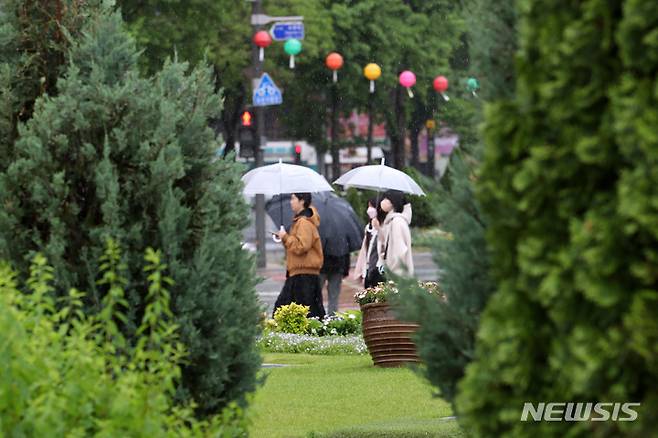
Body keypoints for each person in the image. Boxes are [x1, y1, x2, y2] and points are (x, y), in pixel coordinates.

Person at [273, 193, 326, 318]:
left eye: (293, 199)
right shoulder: (299, 221)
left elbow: (302, 246)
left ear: (302, 201)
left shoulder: (303, 222)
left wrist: (285, 237)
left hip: (304, 274)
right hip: (299, 273)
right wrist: (284, 237)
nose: (291, 202)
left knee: (298, 311)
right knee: (304, 310)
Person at [378, 190, 414, 276]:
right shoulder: (393, 220)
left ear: (394, 201)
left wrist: (392, 270)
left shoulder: (397, 222)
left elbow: (400, 251)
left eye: (386, 199)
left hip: (398, 274)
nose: (383, 201)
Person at [353, 198, 387, 288]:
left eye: (371, 206)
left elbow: (386, 244)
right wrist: (361, 270)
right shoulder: (369, 227)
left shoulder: (386, 226)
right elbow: (365, 251)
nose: (369, 210)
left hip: (379, 270)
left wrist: (379, 229)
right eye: (368, 207)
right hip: (368, 270)